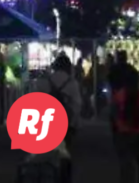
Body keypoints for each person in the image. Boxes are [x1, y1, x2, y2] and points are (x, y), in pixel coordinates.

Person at [36, 54, 82, 183]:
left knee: (44, 155)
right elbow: (77, 105)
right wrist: (73, 124)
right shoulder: (72, 83)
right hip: (66, 123)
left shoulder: (44, 81)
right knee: (64, 156)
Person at [111, 69, 139, 183]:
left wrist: (115, 132)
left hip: (124, 133)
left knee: (126, 166)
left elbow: (114, 115)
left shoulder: (119, 95)